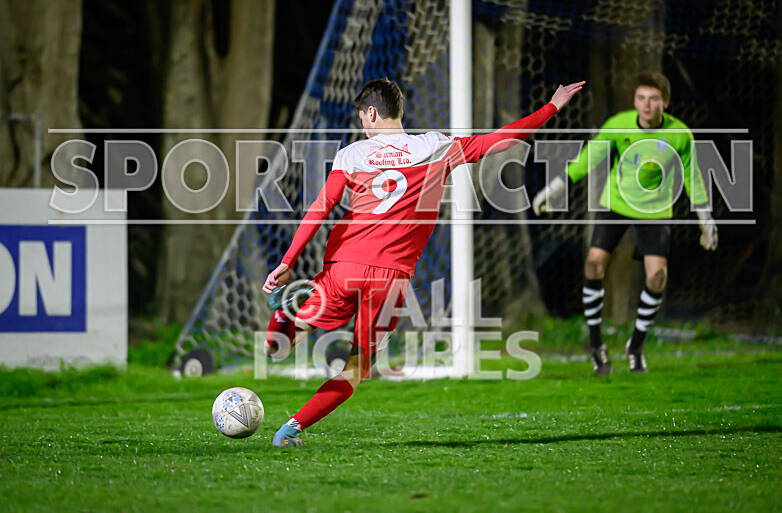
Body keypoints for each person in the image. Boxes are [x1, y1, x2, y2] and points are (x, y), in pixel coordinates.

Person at [263, 77, 585, 446]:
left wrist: (288, 260)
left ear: (371, 113)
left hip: (344, 267)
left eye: (361, 117)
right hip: (390, 279)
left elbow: (321, 207)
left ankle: (284, 320)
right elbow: (501, 140)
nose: (362, 125)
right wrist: (552, 106)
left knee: (285, 344)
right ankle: (291, 429)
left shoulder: (352, 154)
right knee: (357, 367)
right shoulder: (436, 146)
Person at [532, 71, 717, 375]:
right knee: (593, 264)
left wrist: (705, 218)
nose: (646, 105)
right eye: (641, 98)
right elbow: (588, 159)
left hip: (655, 211)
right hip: (616, 204)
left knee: (657, 277)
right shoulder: (618, 126)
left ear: (665, 103)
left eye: (654, 99)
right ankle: (596, 344)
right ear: (635, 101)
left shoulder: (680, 134)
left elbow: (692, 177)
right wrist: (555, 187)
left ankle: (636, 345)